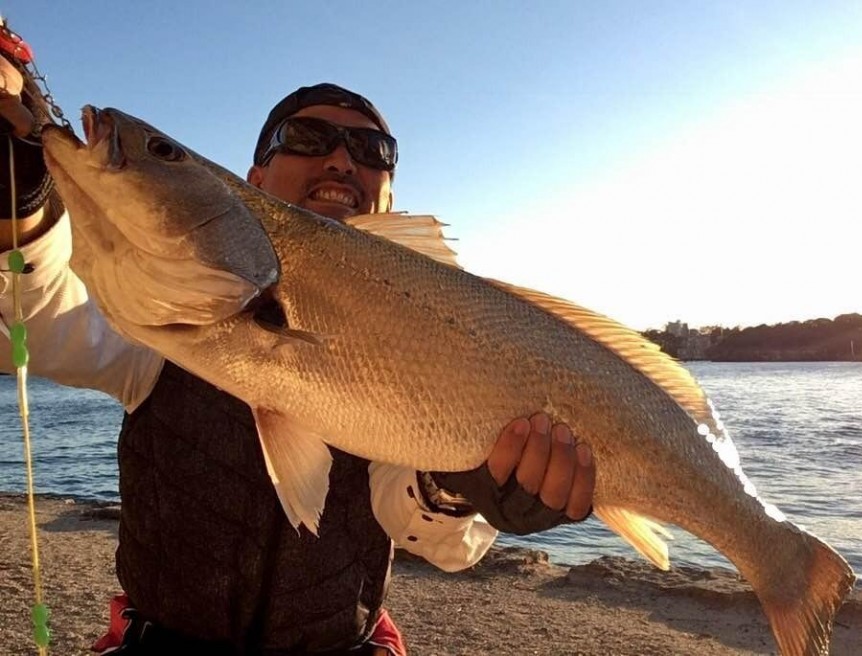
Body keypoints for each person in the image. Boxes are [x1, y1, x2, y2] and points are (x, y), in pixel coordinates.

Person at [0, 24, 595, 655]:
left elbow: (439, 546)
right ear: (254, 179)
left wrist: (462, 485)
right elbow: (39, 321)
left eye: (373, 151)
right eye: (308, 140)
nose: (342, 160)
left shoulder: (440, 330)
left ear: (390, 195)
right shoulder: (154, 314)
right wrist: (24, 204)